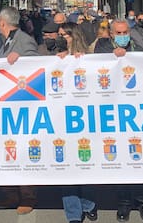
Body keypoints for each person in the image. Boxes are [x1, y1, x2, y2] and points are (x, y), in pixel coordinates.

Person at [93, 18, 143, 222]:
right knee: (121, 160)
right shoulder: (102, 46)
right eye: (118, 33)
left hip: (136, 112)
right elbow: (96, 63)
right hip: (114, 111)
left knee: (139, 158)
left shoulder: (138, 47)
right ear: (111, 34)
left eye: (125, 32)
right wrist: (113, 55)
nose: (122, 36)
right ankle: (124, 203)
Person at [0, 6, 39, 214]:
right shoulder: (3, 40)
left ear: (2, 22)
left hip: (22, 104)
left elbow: (35, 65)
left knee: (21, 149)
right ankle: (10, 193)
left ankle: (27, 195)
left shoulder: (24, 40)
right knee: (7, 149)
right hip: (5, 104)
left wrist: (20, 59)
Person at [56, 23, 98, 223]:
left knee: (85, 163)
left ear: (74, 36)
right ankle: (73, 212)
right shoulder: (56, 56)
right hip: (62, 117)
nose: (60, 38)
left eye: (64, 35)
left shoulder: (90, 56)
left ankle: (88, 203)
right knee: (67, 167)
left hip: (84, 118)